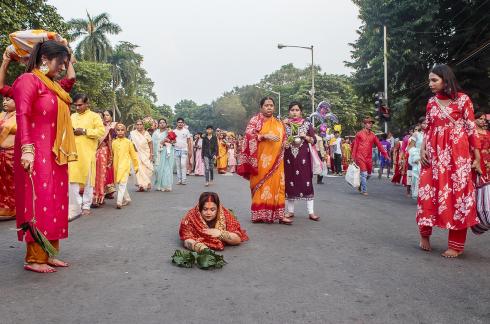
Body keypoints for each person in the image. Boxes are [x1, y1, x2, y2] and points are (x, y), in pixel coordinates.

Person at [13, 40, 76, 273]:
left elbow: (70, 80)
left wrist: (69, 53)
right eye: (60, 63)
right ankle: (34, 257)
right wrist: (27, 151)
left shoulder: (53, 85)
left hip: (54, 153)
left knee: (55, 201)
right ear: (45, 59)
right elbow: (22, 115)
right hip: (35, 152)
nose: (62, 68)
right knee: (38, 202)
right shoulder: (28, 81)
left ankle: (49, 253)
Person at [418, 64, 481, 258]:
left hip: (458, 157)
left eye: (434, 80)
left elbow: (471, 129)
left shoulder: (463, 100)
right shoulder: (431, 102)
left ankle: (456, 245)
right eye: (429, 80)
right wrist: (422, 149)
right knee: (427, 193)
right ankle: (424, 236)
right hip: (434, 156)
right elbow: (427, 128)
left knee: (458, 197)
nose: (430, 84)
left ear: (446, 80)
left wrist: (477, 157)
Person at [237, 97, 288, 224]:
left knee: (278, 186)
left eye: (271, 105)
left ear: (274, 107)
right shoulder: (255, 121)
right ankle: (259, 214)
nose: (269, 107)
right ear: (261, 107)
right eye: (266, 105)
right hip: (261, 161)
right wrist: (264, 136)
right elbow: (248, 136)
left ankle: (279, 215)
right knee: (261, 186)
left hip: (277, 162)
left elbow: (284, 138)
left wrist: (285, 144)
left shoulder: (279, 122)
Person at [68, 94, 104, 220]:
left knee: (88, 181)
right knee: (72, 180)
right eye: (75, 105)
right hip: (73, 153)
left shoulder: (94, 117)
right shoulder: (72, 116)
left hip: (88, 154)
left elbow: (101, 132)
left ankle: (86, 206)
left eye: (80, 105)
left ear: (87, 104)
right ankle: (76, 206)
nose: (77, 108)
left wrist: (84, 131)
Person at [283, 101, 319, 222]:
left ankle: (311, 212)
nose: (294, 112)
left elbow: (314, 140)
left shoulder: (307, 124)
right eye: (292, 110)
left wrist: (305, 136)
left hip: (304, 157)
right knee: (290, 182)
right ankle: (290, 211)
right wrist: (285, 143)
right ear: (289, 111)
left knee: (306, 182)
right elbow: (281, 140)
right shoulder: (284, 125)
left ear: (301, 111)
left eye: (297, 110)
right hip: (289, 158)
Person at [179, 192, 248, 252]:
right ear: (200, 209)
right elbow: (187, 239)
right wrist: (201, 248)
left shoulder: (225, 214)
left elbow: (237, 239)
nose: (208, 213)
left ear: (218, 209)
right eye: (205, 209)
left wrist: (220, 233)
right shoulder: (191, 216)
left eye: (212, 210)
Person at [352, 117, 390, 196]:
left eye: (371, 123)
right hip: (360, 156)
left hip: (369, 158)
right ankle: (364, 190)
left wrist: (386, 155)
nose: (370, 124)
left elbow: (379, 146)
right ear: (364, 124)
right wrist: (353, 157)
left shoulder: (373, 135)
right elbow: (355, 146)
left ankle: (361, 185)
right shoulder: (359, 134)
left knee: (369, 175)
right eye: (369, 123)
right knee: (364, 174)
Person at [0, 51, 16, 221]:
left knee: (13, 184)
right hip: (1, 155)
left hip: (13, 155)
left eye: (8, 99)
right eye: (3, 100)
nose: (5, 102)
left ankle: (16, 209)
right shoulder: (1, 116)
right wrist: (5, 62)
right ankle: (5, 209)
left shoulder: (21, 116)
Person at [112, 123, 139, 209]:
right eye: (118, 130)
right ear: (116, 131)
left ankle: (119, 202)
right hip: (116, 166)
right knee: (118, 184)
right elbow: (112, 155)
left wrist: (136, 166)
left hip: (125, 166)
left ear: (125, 131)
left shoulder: (128, 142)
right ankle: (127, 198)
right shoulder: (114, 142)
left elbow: (134, 156)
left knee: (122, 183)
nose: (120, 132)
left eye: (122, 130)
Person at [93, 110, 116, 206]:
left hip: (102, 153)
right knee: (92, 175)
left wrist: (110, 157)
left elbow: (110, 144)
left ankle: (99, 197)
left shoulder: (107, 129)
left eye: (101, 117)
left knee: (101, 176)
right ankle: (91, 197)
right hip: (91, 153)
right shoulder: (91, 128)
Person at [130, 120, 154, 192]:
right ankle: (141, 186)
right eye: (137, 124)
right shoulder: (133, 133)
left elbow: (150, 143)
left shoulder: (147, 133)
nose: (139, 126)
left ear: (143, 125)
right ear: (135, 125)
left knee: (147, 169)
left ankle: (147, 183)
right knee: (139, 169)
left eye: (140, 124)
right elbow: (131, 144)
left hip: (146, 153)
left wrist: (151, 154)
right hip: (136, 154)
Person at [152, 118, 174, 192]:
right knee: (158, 169)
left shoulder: (169, 131)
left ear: (166, 124)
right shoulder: (155, 133)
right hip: (158, 152)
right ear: (158, 124)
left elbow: (174, 141)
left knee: (166, 168)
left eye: (163, 122)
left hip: (167, 151)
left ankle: (166, 185)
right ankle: (159, 185)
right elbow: (153, 143)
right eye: (160, 122)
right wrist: (160, 143)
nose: (162, 124)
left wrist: (168, 141)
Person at [408, 119, 426, 199]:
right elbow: (410, 147)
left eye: (427, 123)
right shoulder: (416, 134)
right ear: (420, 124)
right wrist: (416, 157)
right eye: (424, 123)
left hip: (429, 158)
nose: (426, 124)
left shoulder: (432, 133)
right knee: (418, 178)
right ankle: (420, 196)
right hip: (418, 158)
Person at [173, 117, 192, 184]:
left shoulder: (186, 131)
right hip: (176, 149)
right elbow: (172, 141)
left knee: (183, 164)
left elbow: (189, 141)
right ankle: (179, 179)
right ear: (177, 123)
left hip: (184, 149)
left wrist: (190, 150)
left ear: (183, 123)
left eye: (181, 122)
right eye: (179, 122)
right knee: (178, 165)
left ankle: (184, 179)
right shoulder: (174, 131)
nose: (180, 124)